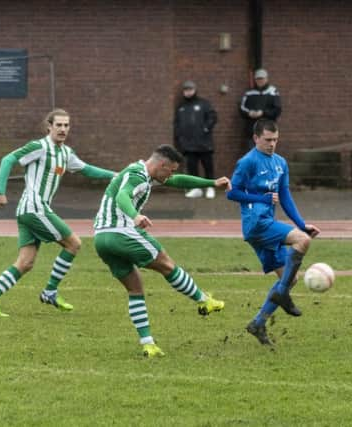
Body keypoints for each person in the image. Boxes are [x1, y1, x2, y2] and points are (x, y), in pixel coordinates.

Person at [93, 144, 231, 358]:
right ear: (161, 165)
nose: (171, 174)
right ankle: (204, 300)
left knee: (135, 288)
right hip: (121, 232)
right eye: (171, 170)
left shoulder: (142, 173)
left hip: (101, 239)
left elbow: (178, 181)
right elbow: (123, 196)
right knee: (165, 262)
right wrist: (135, 215)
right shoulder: (137, 175)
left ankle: (148, 344)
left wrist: (211, 182)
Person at [0, 108, 116, 317]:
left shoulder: (66, 153)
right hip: (34, 208)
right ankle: (50, 291)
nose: (62, 129)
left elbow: (87, 169)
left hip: (30, 211)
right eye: (58, 125)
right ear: (49, 126)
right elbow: (7, 160)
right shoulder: (39, 147)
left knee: (25, 263)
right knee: (74, 243)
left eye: (66, 125)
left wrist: (115, 175)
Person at [227, 119, 320, 345]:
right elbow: (232, 193)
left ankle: (258, 323)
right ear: (256, 138)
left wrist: (301, 223)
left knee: (291, 278)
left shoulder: (280, 163)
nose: (272, 144)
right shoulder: (247, 162)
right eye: (268, 140)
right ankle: (281, 294)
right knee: (303, 242)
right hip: (255, 223)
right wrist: (261, 198)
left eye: (276, 140)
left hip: (268, 222)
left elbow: (285, 197)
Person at [173, 80, 219, 199]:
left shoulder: (204, 103)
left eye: (190, 89)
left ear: (194, 90)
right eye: (186, 90)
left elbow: (213, 117)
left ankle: (210, 187)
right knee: (192, 169)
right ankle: (196, 189)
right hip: (188, 145)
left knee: (208, 167)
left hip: (204, 143)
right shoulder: (181, 107)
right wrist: (180, 138)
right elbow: (177, 124)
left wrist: (205, 129)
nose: (188, 92)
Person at [239, 68, 282, 151]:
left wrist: (263, 113)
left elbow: (277, 110)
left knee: (267, 155)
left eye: (262, 78)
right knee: (253, 156)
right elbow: (241, 108)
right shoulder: (249, 93)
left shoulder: (273, 91)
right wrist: (249, 113)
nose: (260, 81)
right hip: (252, 131)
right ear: (255, 80)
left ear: (266, 79)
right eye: (258, 79)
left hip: (268, 132)